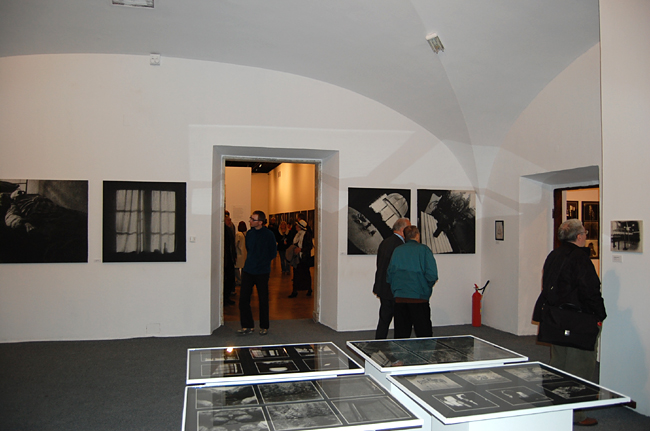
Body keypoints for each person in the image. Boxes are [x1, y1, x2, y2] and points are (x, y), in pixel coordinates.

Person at [533, 219, 606, 427]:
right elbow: (590, 291)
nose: (585, 236)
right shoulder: (580, 259)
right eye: (584, 233)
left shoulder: (554, 255)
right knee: (580, 367)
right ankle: (577, 415)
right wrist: (600, 314)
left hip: (556, 319)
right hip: (578, 322)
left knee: (558, 363)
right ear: (579, 236)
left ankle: (554, 405)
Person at [387, 225, 438, 338]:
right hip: (419, 297)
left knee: (401, 336)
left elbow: (390, 273)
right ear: (417, 236)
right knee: (424, 335)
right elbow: (432, 275)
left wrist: (396, 289)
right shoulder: (424, 250)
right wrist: (425, 287)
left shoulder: (398, 250)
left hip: (400, 297)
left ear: (405, 236)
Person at [238, 210, 277, 335]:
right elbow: (249, 249)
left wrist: (263, 262)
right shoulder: (249, 234)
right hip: (248, 270)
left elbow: (273, 252)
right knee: (243, 299)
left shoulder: (269, 234)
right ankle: (247, 325)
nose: (250, 221)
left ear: (260, 222)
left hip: (262, 272)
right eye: (251, 218)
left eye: (253, 219)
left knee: (263, 299)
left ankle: (264, 326)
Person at [373, 218, 411, 339]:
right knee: (401, 321)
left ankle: (379, 342)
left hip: (383, 287)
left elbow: (380, 265)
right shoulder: (401, 246)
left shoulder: (385, 242)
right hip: (395, 289)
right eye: (408, 228)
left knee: (384, 319)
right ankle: (399, 345)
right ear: (402, 230)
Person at [288, 219, 313, 297]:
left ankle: (309, 289)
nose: (296, 227)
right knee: (296, 274)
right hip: (297, 258)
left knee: (305, 273)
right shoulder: (297, 234)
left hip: (304, 258)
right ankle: (295, 290)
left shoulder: (307, 235)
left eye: (297, 225)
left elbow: (309, 246)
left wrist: (301, 249)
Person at [223, 212, 236, 306]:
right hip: (226, 259)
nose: (230, 221)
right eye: (228, 220)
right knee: (228, 278)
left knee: (230, 278)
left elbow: (232, 245)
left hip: (229, 258)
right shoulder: (225, 230)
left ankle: (226, 297)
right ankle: (225, 298)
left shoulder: (229, 229)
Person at [234, 221, 247, 287]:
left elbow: (235, 244)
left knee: (236, 268)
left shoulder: (238, 234)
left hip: (239, 253)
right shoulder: (245, 234)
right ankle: (243, 280)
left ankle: (239, 280)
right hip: (244, 253)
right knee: (243, 268)